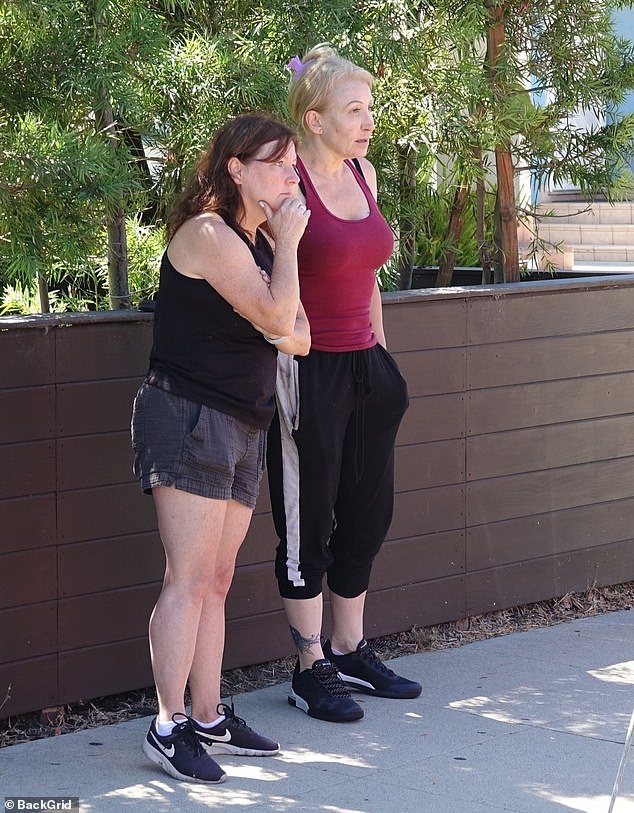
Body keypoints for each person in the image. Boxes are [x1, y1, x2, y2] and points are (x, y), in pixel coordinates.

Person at [131, 113, 311, 782]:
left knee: (217, 578)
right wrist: (286, 256)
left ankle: (206, 715)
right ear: (237, 167)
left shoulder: (258, 240)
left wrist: (279, 291)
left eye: (295, 163)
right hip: (188, 413)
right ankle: (166, 724)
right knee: (187, 576)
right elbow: (275, 318)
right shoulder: (210, 234)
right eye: (280, 162)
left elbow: (302, 336)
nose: (293, 175)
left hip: (242, 419)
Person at [266, 45, 421, 724]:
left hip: (366, 367)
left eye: (370, 109)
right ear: (315, 117)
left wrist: (381, 356)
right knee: (306, 525)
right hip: (306, 368)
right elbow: (265, 282)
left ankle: (349, 647)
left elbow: (369, 275)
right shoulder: (284, 183)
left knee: (368, 512)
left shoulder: (365, 174)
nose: (367, 122)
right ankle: (308, 666)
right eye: (354, 110)